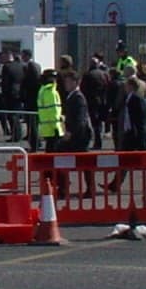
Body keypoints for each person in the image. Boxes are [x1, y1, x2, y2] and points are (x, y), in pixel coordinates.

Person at [59, 70, 94, 199]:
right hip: (77, 135)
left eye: (68, 82)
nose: (65, 84)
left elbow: (80, 119)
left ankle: (66, 187)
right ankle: (64, 186)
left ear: (75, 82)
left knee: (83, 162)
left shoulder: (78, 97)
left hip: (80, 136)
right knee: (82, 163)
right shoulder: (71, 96)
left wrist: (70, 133)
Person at [37, 69, 63, 154]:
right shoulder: (50, 91)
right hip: (53, 128)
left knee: (49, 151)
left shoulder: (43, 90)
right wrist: (56, 127)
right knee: (54, 154)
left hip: (47, 127)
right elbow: (53, 110)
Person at [21, 49, 42, 152]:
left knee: (32, 122)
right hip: (33, 98)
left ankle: (35, 144)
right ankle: (37, 141)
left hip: (32, 98)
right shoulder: (36, 65)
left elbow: (32, 83)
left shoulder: (31, 66)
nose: (21, 57)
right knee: (34, 122)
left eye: (23, 55)